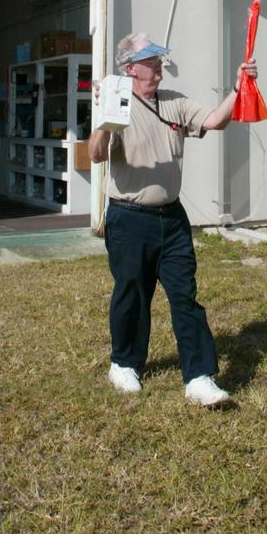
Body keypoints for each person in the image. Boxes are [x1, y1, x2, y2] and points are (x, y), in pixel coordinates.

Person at [89, 33, 257, 407]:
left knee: (185, 295)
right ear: (130, 68)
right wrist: (103, 121)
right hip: (129, 218)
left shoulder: (174, 102)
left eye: (159, 59)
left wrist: (237, 88)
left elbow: (215, 121)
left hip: (172, 218)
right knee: (132, 293)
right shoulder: (116, 103)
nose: (159, 66)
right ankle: (124, 363)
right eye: (150, 61)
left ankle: (199, 377)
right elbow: (96, 155)